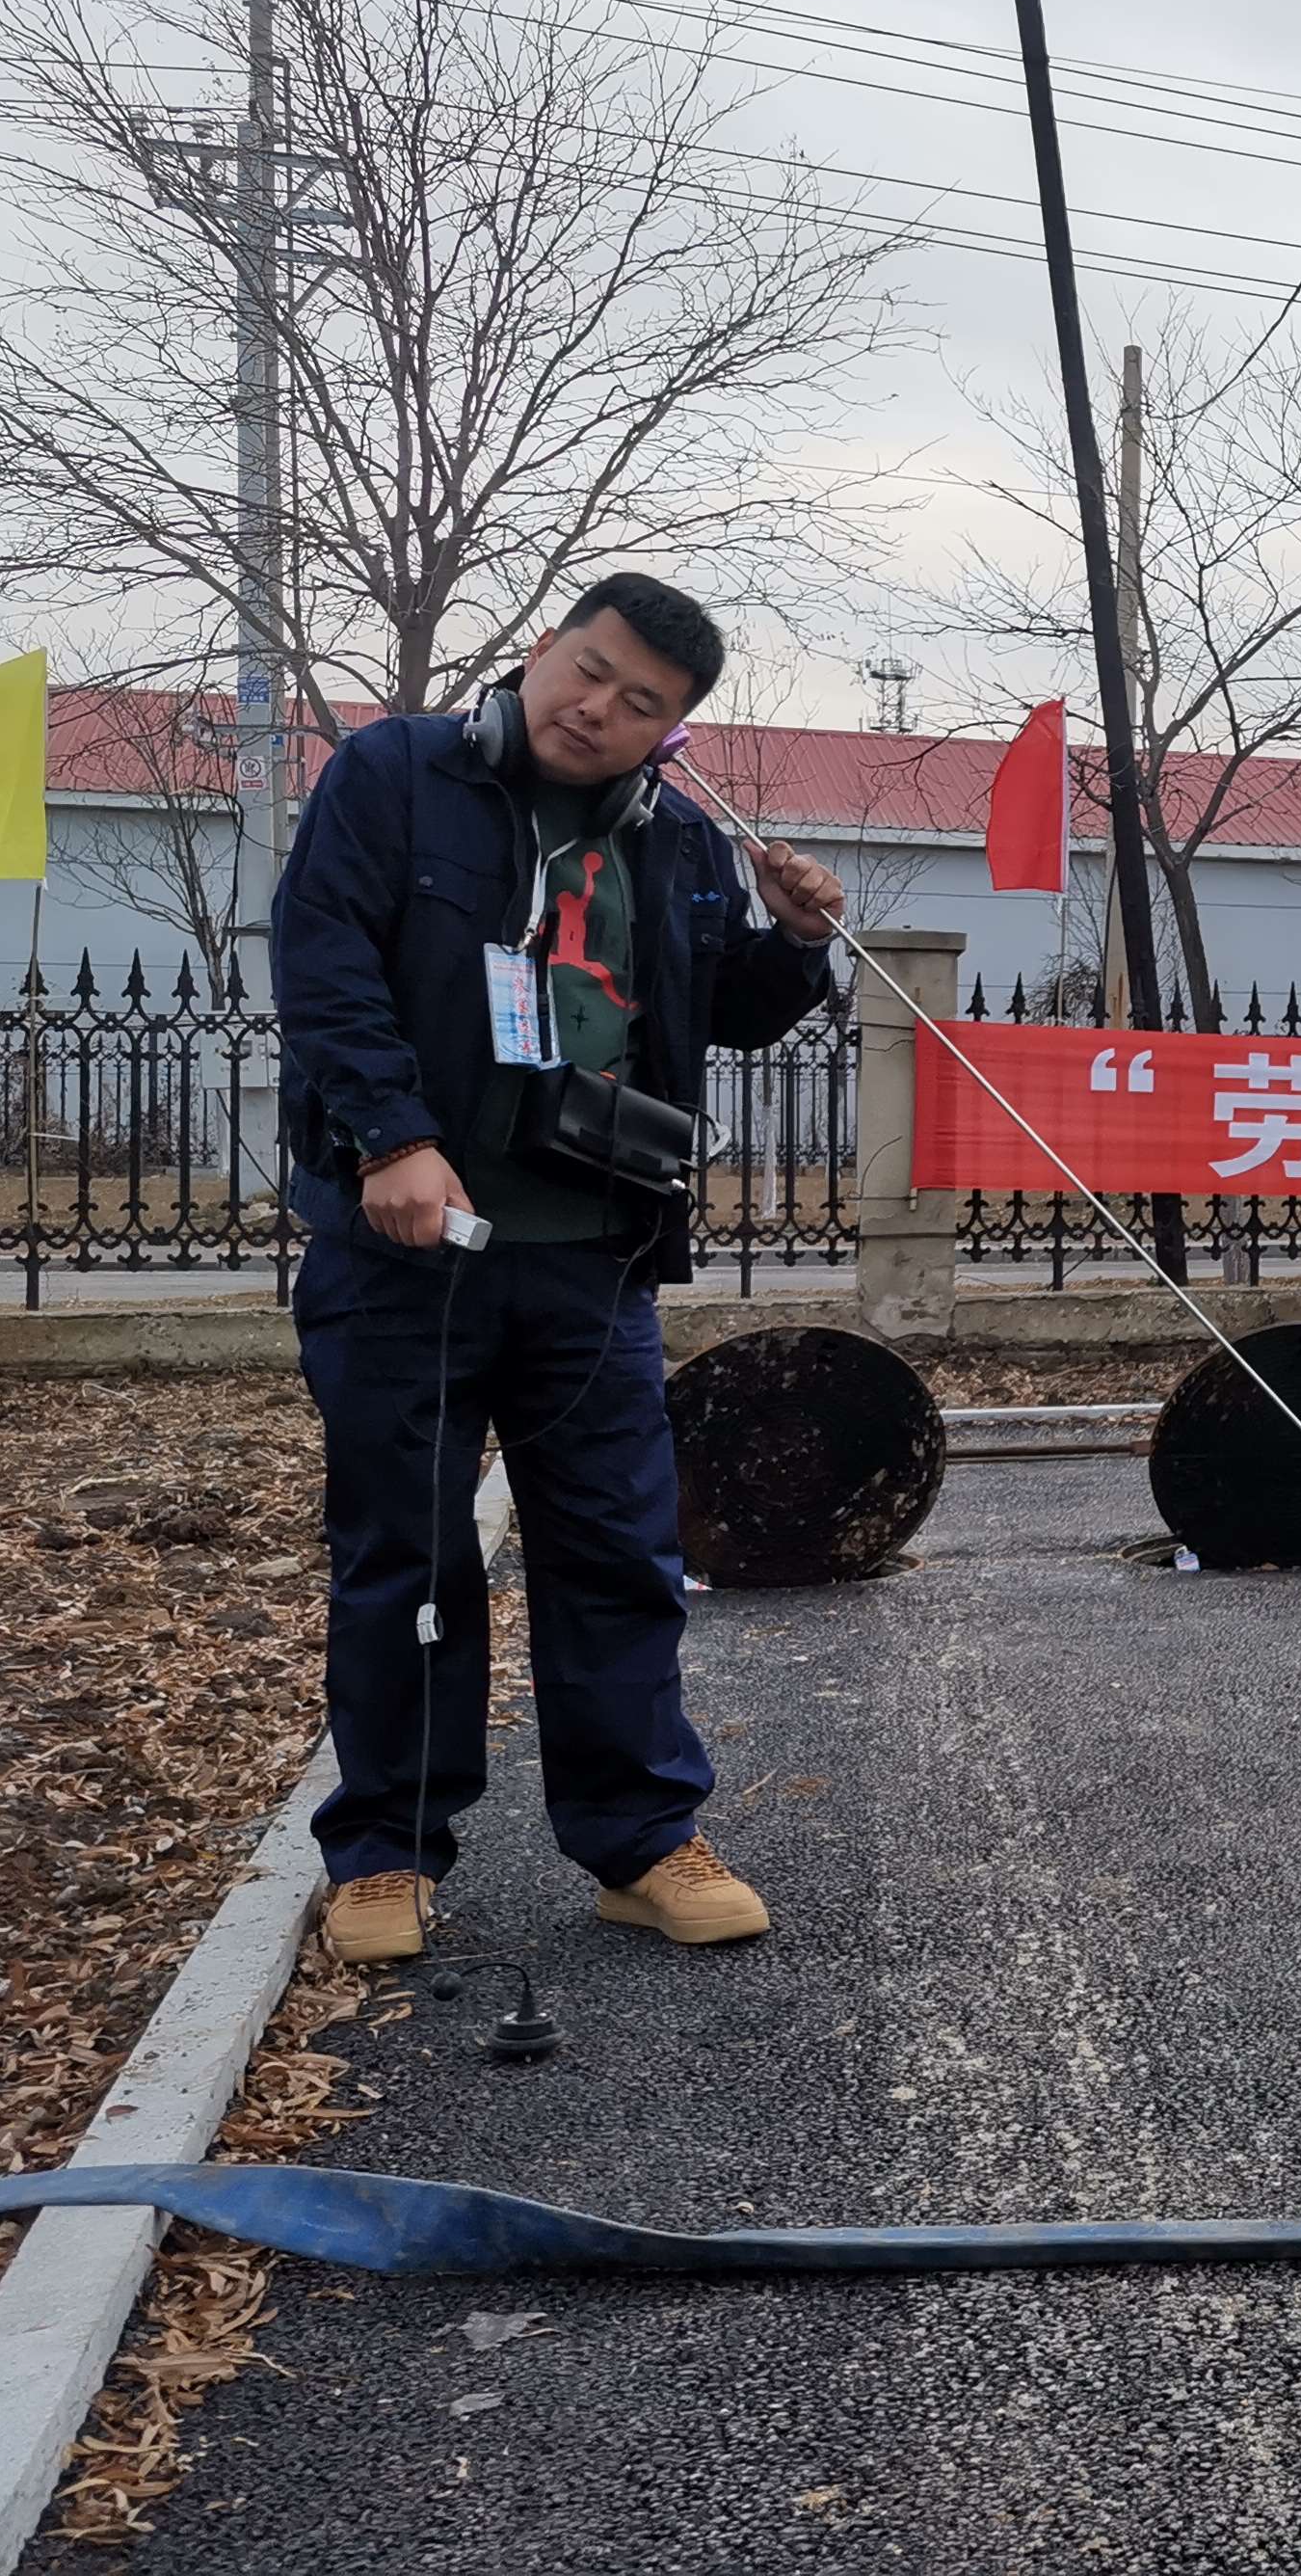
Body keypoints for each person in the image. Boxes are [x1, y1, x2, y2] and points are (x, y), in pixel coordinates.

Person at [273, 572, 847, 1965]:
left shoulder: (677, 837)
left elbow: (715, 1014)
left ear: (672, 727)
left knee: (620, 1554)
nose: (597, 709)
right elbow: (324, 961)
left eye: (640, 702)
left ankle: (640, 1840)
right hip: (404, 1253)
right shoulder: (395, 775)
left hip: (594, 1257)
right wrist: (392, 1139)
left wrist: (797, 940)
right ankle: (386, 1852)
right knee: (404, 1555)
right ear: (543, 648)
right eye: (588, 669)